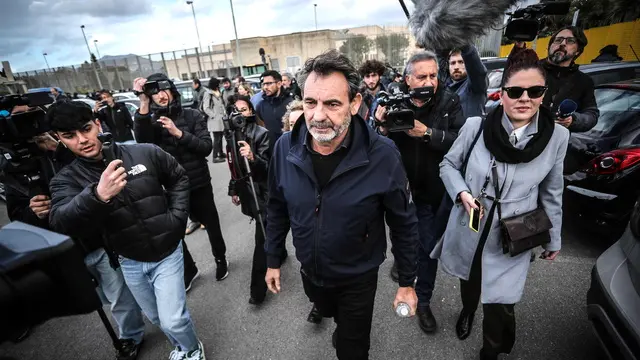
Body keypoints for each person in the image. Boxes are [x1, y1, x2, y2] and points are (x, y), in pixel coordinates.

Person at [265, 50, 419, 360]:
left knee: (353, 348)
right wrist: (272, 259)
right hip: (312, 272)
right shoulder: (284, 148)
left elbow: (404, 223)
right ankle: (335, 319)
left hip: (358, 279)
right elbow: (276, 206)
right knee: (327, 310)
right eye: (311, 103)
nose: (318, 115)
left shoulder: (383, 155)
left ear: (355, 103)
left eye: (332, 104)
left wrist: (407, 282)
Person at [433, 49, 568, 360]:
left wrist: (555, 237)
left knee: (502, 301)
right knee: (470, 277)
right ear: (502, 93)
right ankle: (468, 310)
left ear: (543, 93)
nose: (524, 98)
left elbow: (552, 190)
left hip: (516, 230)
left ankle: (491, 351)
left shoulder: (557, 137)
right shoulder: (475, 127)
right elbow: (448, 166)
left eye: (535, 91)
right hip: (473, 220)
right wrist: (462, 194)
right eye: (515, 91)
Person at [46, 101, 206, 360]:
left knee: (174, 319)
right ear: (59, 139)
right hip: (129, 260)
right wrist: (97, 196)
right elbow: (60, 222)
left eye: (86, 129)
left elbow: (178, 177)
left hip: (167, 252)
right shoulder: (67, 179)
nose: (82, 140)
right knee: (157, 318)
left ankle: (191, 349)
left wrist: (176, 220)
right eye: (69, 136)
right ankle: (180, 346)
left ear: (97, 124)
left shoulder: (143, 152)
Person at [375, 50, 464, 334]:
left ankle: (423, 301)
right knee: (402, 238)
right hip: (397, 191)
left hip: (431, 191)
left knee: (427, 250)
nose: (429, 81)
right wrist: (378, 124)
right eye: (422, 76)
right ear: (407, 79)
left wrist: (427, 133)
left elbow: (460, 143)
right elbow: (368, 144)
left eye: (434, 75)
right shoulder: (392, 99)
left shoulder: (449, 101)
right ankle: (403, 265)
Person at [132, 74, 230, 288]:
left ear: (172, 91)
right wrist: (143, 102)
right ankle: (189, 269)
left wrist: (178, 133)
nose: (161, 95)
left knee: (211, 224)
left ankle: (221, 259)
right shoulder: (149, 121)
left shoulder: (192, 115)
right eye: (154, 92)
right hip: (170, 187)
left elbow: (206, 147)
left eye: (163, 90)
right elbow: (142, 143)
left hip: (199, 182)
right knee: (175, 232)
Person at [224, 95, 272, 304]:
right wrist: (234, 188)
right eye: (235, 110)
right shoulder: (231, 137)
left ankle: (257, 291)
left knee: (260, 239)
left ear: (251, 111)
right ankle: (279, 250)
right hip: (248, 193)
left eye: (244, 109)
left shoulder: (262, 134)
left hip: (265, 192)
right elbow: (233, 167)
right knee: (268, 232)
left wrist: (253, 158)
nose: (240, 114)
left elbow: (270, 168)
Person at [540, 26, 599, 132]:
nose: (562, 44)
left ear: (578, 51)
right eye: (558, 40)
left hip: (556, 141)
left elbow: (591, 114)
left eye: (570, 41)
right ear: (549, 46)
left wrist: (573, 120)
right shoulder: (531, 69)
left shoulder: (583, 81)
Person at [446, 45, 488, 118]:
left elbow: (478, 72)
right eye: (453, 63)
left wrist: (465, 45)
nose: (456, 67)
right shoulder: (444, 88)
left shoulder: (475, 84)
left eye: (461, 62)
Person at [255, 70, 293, 150]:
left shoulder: (291, 104)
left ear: (279, 84)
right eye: (264, 84)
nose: (265, 87)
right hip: (271, 152)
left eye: (269, 83)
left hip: (290, 150)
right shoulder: (261, 106)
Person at [202, 77, 227, 163]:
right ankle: (215, 156)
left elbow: (221, 104)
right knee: (217, 138)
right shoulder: (208, 94)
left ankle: (221, 153)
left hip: (220, 118)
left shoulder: (217, 92)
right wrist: (213, 115)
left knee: (220, 137)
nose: (219, 85)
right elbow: (206, 108)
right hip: (215, 119)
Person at [358, 60, 387, 128]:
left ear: (379, 76)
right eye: (367, 76)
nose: (371, 80)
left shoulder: (388, 95)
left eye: (374, 75)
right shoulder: (358, 97)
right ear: (363, 78)